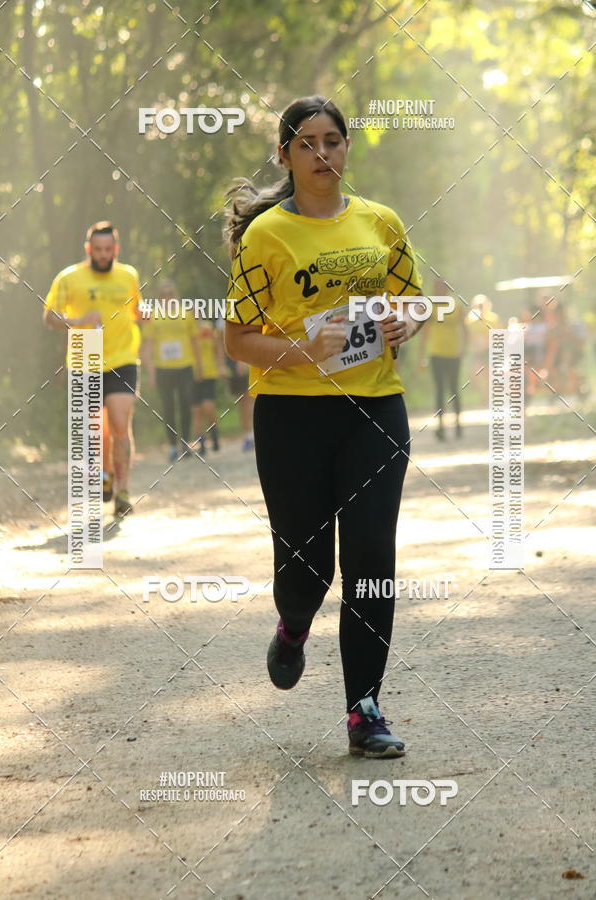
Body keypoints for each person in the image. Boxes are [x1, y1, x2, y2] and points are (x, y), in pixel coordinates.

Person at [223, 94, 426, 758]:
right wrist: (304, 351)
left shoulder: (381, 222)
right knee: (307, 568)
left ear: (347, 148)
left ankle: (364, 710)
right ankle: (293, 625)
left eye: (332, 140)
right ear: (284, 156)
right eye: (306, 143)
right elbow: (238, 339)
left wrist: (405, 321)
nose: (321, 153)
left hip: (375, 408)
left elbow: (415, 300)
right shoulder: (265, 236)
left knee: (371, 558)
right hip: (292, 415)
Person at [43, 221, 142, 517]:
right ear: (88, 249)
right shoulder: (69, 277)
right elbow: (49, 317)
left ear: (116, 249)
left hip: (123, 358)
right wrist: (78, 321)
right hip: (85, 357)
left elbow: (137, 311)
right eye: (97, 249)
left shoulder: (128, 275)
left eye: (108, 249)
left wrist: (149, 314)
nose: (103, 255)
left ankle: (123, 491)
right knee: (95, 429)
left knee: (120, 423)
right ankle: (104, 474)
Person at [142, 280, 202, 461]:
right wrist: (151, 372)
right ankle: (172, 446)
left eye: (170, 294)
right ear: (160, 297)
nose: (168, 297)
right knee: (168, 407)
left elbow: (194, 340)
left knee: (185, 403)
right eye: (164, 295)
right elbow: (148, 345)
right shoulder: (153, 316)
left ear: (176, 295)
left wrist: (199, 366)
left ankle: (185, 443)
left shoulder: (186, 313)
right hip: (162, 368)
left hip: (185, 366)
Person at [420, 279, 467, 440]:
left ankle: (458, 424)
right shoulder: (430, 306)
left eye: (442, 288)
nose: (439, 291)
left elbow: (463, 327)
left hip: (453, 353)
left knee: (454, 388)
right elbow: (425, 331)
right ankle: (440, 427)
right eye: (437, 288)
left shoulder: (456, 305)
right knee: (440, 389)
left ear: (447, 290)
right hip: (436, 353)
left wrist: (463, 347)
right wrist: (421, 356)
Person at [191, 314, 225, 455]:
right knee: (197, 411)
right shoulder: (185, 329)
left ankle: (214, 434)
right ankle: (201, 443)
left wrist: (221, 366)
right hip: (191, 375)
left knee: (208, 407)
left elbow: (218, 348)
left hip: (209, 373)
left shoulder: (207, 328)